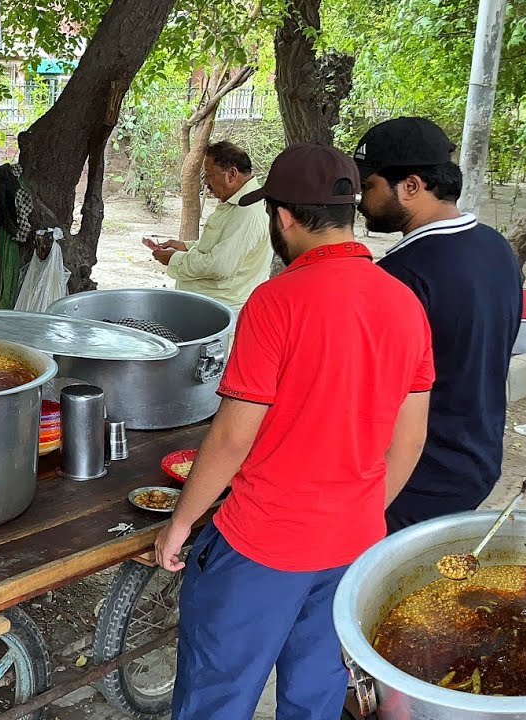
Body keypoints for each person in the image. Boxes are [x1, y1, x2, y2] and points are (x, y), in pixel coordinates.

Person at [153, 144, 434, 720]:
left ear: (282, 217)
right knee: (316, 698)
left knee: (218, 695)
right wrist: (356, 512)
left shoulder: (276, 301)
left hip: (262, 544)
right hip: (354, 547)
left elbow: (233, 438)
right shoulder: (405, 303)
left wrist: (180, 524)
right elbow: (409, 440)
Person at [354, 117, 523, 533]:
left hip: (414, 479)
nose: (361, 200)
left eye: (369, 185)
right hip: (477, 460)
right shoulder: (496, 246)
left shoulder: (401, 276)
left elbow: (372, 396)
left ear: (411, 186)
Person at [148, 141, 271, 319]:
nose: (205, 182)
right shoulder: (237, 203)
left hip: (220, 315)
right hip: (207, 309)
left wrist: (173, 259)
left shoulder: (248, 212)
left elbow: (220, 266)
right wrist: (186, 246)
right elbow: (221, 245)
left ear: (231, 174)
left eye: (209, 175)